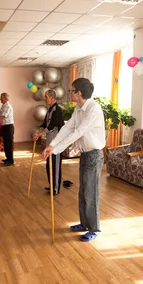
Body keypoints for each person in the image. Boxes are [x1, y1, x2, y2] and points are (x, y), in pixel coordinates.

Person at [42, 78, 105, 242]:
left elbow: (79, 132)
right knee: (83, 190)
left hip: (94, 155)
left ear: (79, 93)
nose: (70, 93)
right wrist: (52, 145)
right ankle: (85, 223)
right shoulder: (78, 108)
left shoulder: (94, 109)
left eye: (72, 90)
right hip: (85, 154)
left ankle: (94, 228)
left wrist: (56, 150)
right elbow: (67, 127)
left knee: (90, 192)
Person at [33, 89, 65, 195]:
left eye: (46, 96)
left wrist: (41, 133)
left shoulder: (57, 109)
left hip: (56, 143)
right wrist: (38, 132)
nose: (45, 98)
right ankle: (51, 185)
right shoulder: (50, 109)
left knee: (55, 165)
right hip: (49, 141)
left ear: (52, 97)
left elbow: (52, 126)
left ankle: (55, 188)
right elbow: (45, 123)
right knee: (49, 165)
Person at [0, 92, 14, 165]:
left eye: (1, 98)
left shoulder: (8, 106)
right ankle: (8, 159)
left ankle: (11, 161)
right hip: (5, 126)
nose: (0, 99)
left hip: (9, 126)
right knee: (6, 143)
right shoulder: (3, 106)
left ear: (6, 98)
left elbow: (3, 116)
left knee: (9, 144)